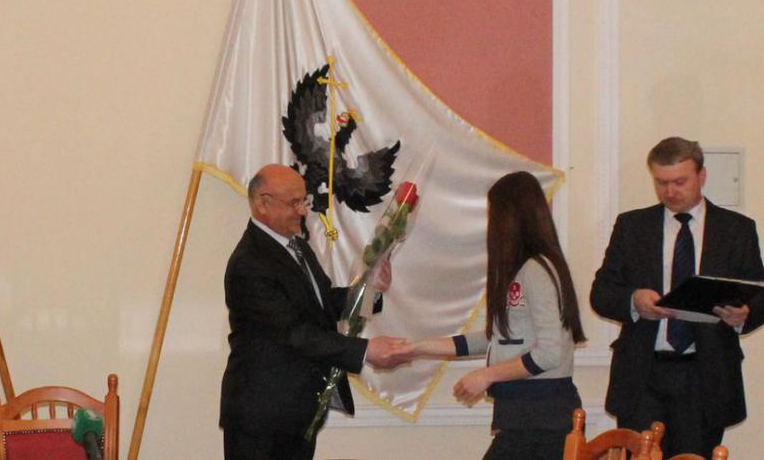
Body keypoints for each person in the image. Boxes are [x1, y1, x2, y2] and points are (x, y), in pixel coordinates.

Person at [590, 136, 764, 457]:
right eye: (661, 183)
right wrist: (634, 300)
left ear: (702, 176)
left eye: (679, 182)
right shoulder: (632, 226)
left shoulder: (736, 230)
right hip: (643, 374)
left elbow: (759, 296)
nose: (670, 191)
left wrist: (744, 315)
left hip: (704, 376)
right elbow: (601, 294)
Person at [219, 164, 407, 460]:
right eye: (294, 203)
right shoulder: (249, 263)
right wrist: (364, 350)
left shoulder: (296, 247)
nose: (303, 211)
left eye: (304, 201)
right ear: (262, 203)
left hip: (296, 412)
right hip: (262, 417)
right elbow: (294, 333)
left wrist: (371, 290)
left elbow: (323, 303)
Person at [403, 171, 585, 460]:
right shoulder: (524, 270)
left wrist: (487, 375)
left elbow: (551, 352)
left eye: (494, 215)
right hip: (525, 417)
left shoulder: (536, 271)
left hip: (543, 418)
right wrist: (418, 347)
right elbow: (500, 338)